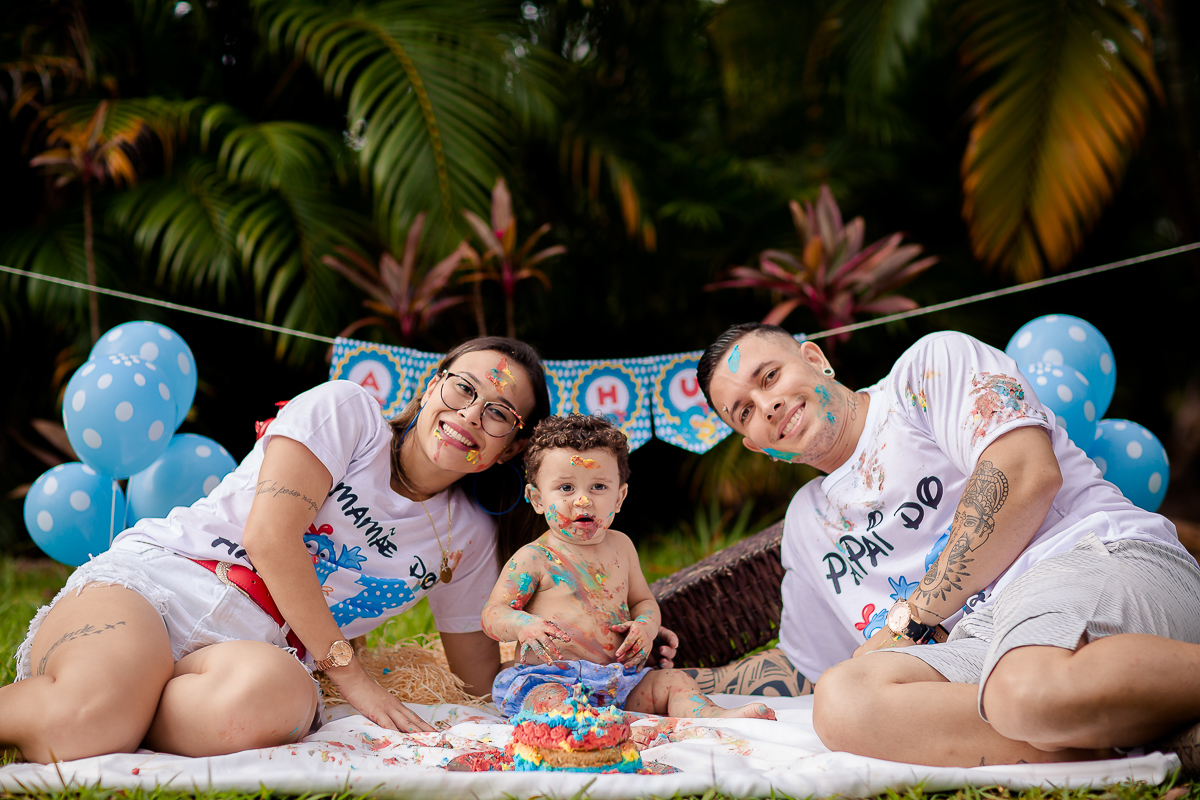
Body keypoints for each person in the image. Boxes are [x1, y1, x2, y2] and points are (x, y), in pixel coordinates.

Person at [2, 337, 565, 764]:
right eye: (463, 388)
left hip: (251, 656)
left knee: (279, 702)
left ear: (511, 447)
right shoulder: (349, 413)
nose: (470, 414)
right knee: (85, 722)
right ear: (431, 385)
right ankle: (110, 704)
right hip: (166, 584)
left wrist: (562, 678)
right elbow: (269, 538)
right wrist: (354, 680)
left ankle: (127, 705)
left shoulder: (468, 536)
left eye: (498, 413)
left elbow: (475, 681)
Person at [692, 322, 1200, 771]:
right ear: (757, 446)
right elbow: (806, 665)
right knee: (845, 700)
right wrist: (691, 685)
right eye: (745, 412)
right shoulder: (808, 523)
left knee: (1022, 687)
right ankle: (1137, 737)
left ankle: (1082, 719)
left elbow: (1025, 472)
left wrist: (914, 619)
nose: (768, 405)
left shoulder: (927, 370)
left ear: (815, 359)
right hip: (983, 646)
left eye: (769, 377)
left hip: (1087, 557)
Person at [481, 413, 775, 721]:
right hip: (552, 680)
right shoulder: (534, 558)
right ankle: (598, 729)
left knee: (675, 682)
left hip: (618, 683)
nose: (583, 501)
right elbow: (492, 614)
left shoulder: (622, 547)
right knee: (548, 702)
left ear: (619, 497)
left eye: (598, 487)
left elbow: (642, 601)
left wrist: (646, 627)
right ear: (537, 499)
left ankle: (712, 716)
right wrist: (522, 625)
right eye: (566, 488)